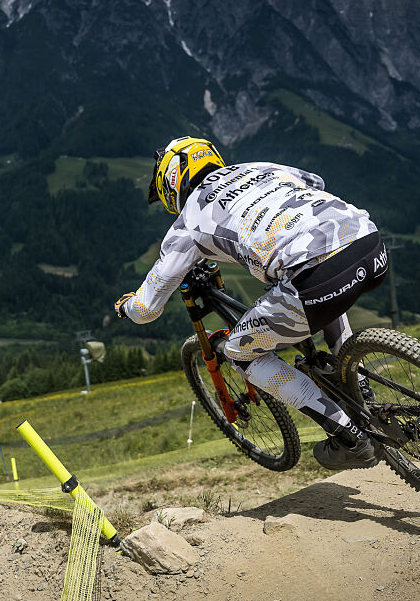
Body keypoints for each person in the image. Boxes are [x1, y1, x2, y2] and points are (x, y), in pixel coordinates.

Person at [116, 136, 388, 470]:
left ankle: (349, 438)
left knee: (240, 352)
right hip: (368, 240)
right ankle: (362, 389)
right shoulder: (259, 167)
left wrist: (126, 307)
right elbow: (316, 183)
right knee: (312, 283)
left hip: (315, 277)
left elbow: (146, 309)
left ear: (170, 184)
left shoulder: (188, 220)